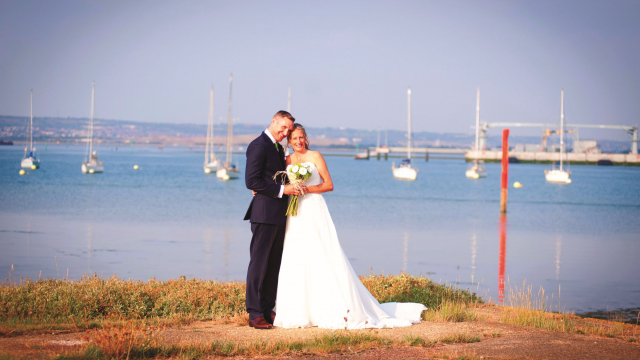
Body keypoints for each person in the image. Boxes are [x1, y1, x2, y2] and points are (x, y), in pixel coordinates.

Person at [273, 124, 427, 329]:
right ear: (288, 141)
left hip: (313, 209)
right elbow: (278, 184)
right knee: (297, 255)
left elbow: (329, 184)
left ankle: (330, 308)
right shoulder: (287, 161)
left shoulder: (316, 156)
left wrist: (307, 188)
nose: (298, 141)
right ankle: (299, 311)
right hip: (295, 214)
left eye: (301, 137)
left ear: (306, 138)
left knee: (322, 254)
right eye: (294, 139)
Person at [243, 110, 305, 330]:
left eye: (289, 129)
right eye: (284, 128)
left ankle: (268, 309)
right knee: (259, 264)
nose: (286, 132)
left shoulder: (279, 148)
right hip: (263, 215)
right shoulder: (258, 145)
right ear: (274, 121)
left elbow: (269, 178)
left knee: (273, 265)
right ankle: (254, 313)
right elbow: (251, 181)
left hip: (280, 214)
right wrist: (283, 189)